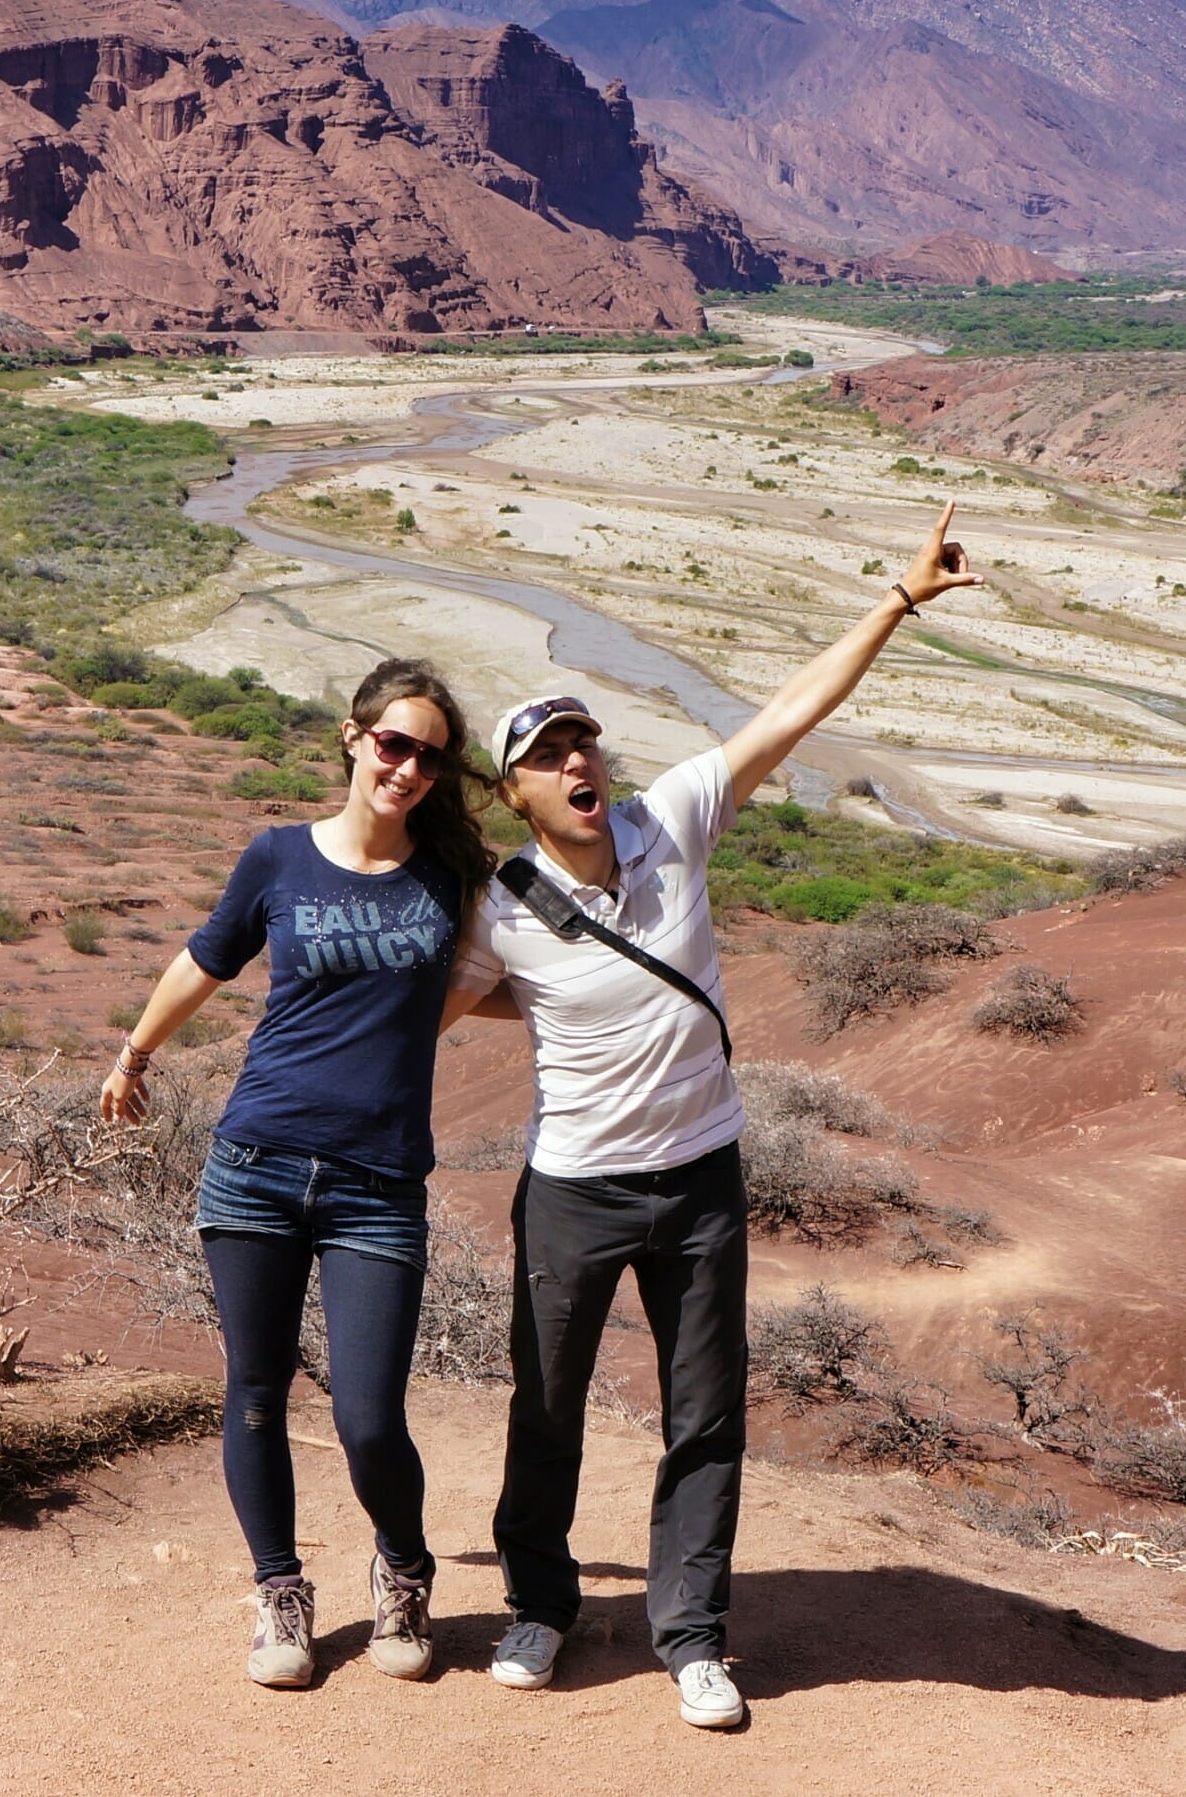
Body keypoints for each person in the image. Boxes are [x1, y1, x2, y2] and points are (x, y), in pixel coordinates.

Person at [446, 503, 985, 1731]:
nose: (577, 762)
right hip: (575, 1187)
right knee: (545, 1402)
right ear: (513, 790)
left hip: (697, 1177)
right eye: (548, 753)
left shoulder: (672, 819)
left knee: (706, 1411)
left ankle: (689, 1634)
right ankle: (539, 1605)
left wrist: (898, 600)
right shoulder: (500, 908)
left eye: (585, 741)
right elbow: (451, 1005)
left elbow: (794, 710)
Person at [100, 658, 492, 1691]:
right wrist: (135, 1051)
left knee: (368, 1415)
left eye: (429, 756)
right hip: (256, 1164)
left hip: (377, 1182)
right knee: (257, 1394)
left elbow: (496, 978)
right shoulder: (278, 857)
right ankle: (280, 1592)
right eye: (394, 743)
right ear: (353, 739)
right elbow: (205, 958)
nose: (407, 767)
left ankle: (403, 1569)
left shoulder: (450, 878)